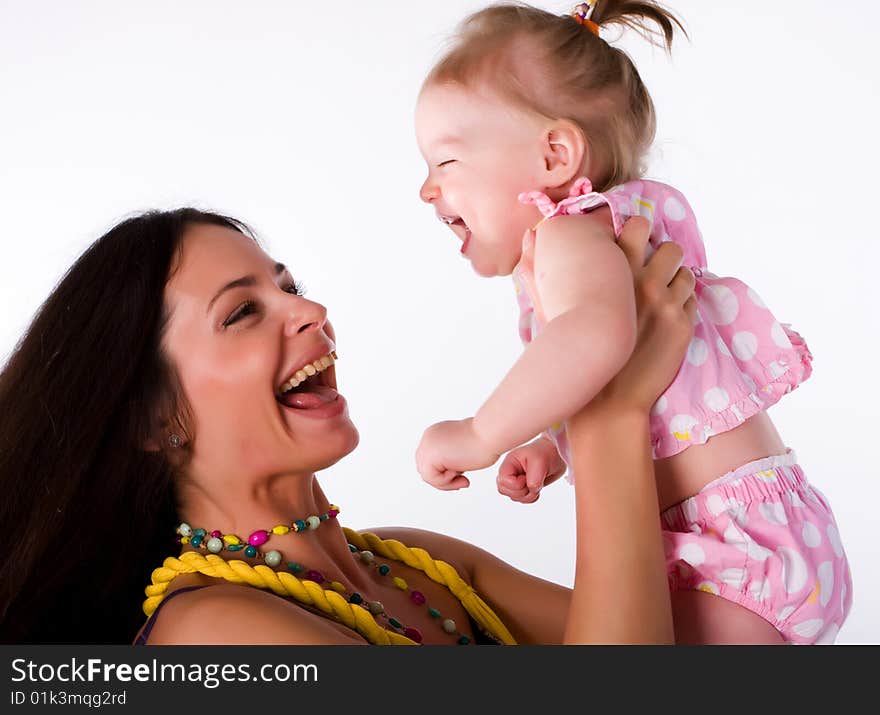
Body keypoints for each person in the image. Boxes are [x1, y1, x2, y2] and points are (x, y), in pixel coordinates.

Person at [0, 207, 692, 645]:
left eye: (289, 287)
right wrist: (606, 408)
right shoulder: (213, 632)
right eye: (243, 313)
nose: (310, 311)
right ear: (156, 417)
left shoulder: (422, 563)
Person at [412, 1, 850, 644]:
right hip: (768, 530)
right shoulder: (625, 223)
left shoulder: (568, 234)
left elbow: (597, 340)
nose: (427, 189)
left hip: (727, 554)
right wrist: (549, 441)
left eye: (445, 164)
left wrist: (479, 434)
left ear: (556, 155)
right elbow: (628, 376)